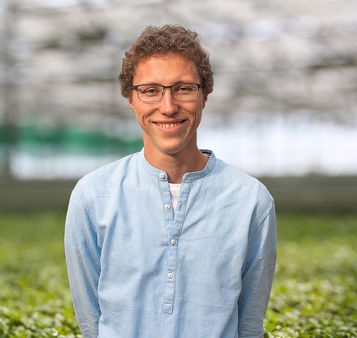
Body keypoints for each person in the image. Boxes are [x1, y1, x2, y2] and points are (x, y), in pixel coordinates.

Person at [64, 25, 277, 338]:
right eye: (150, 90)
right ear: (131, 100)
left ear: (204, 95)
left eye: (184, 89)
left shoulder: (251, 200)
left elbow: (248, 325)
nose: (168, 106)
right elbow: (91, 322)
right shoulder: (93, 196)